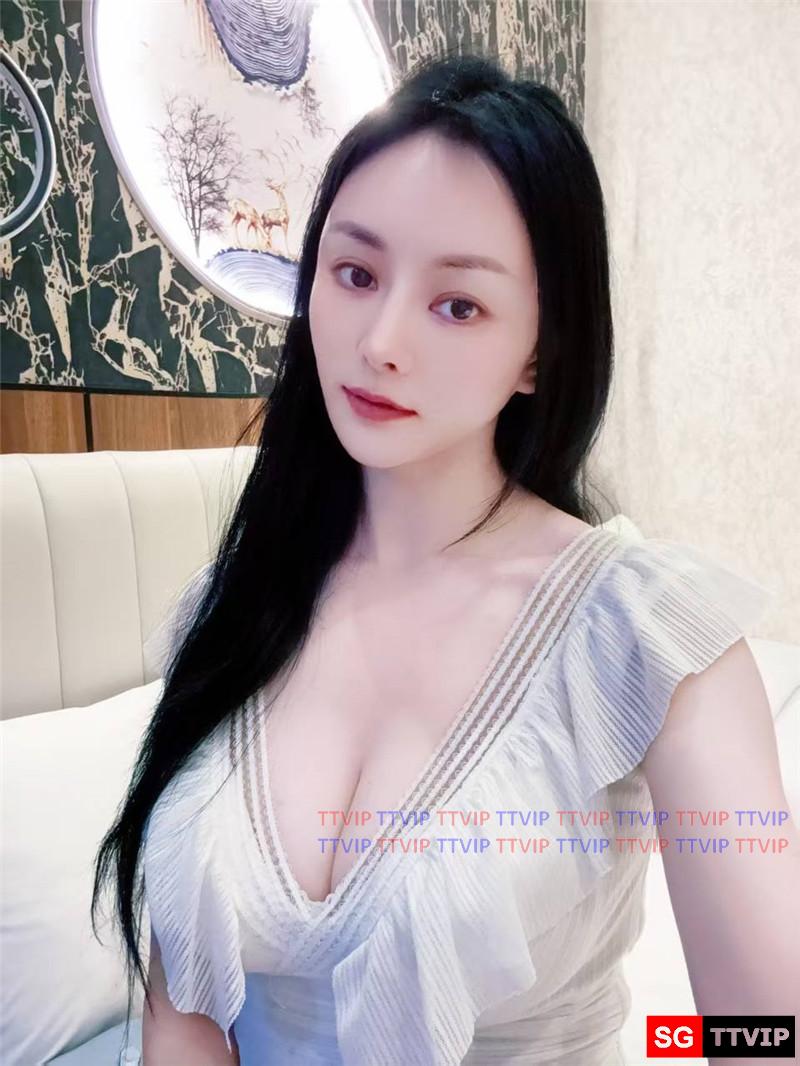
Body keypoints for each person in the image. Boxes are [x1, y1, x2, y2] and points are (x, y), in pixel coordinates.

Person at [91, 52, 798, 1066]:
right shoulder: (229, 608)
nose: (380, 340)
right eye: (355, 274)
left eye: (457, 304)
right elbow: (184, 1012)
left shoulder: (648, 641)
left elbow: (762, 1034)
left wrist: (668, 1047)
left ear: (539, 350)